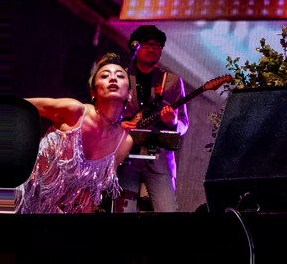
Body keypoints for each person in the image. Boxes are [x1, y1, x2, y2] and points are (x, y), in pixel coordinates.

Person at [16, 54, 133, 213]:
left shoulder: (124, 142)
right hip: (20, 196)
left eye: (120, 76)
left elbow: (90, 193)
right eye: (105, 76)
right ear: (93, 92)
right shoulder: (75, 111)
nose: (113, 79)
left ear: (129, 93)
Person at [116, 24, 188, 212]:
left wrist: (172, 122)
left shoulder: (171, 81)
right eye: (147, 44)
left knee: (167, 211)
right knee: (123, 212)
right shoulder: (120, 78)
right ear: (136, 46)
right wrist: (119, 125)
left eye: (157, 45)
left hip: (159, 159)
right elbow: (106, 117)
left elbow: (184, 124)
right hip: (125, 157)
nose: (152, 49)